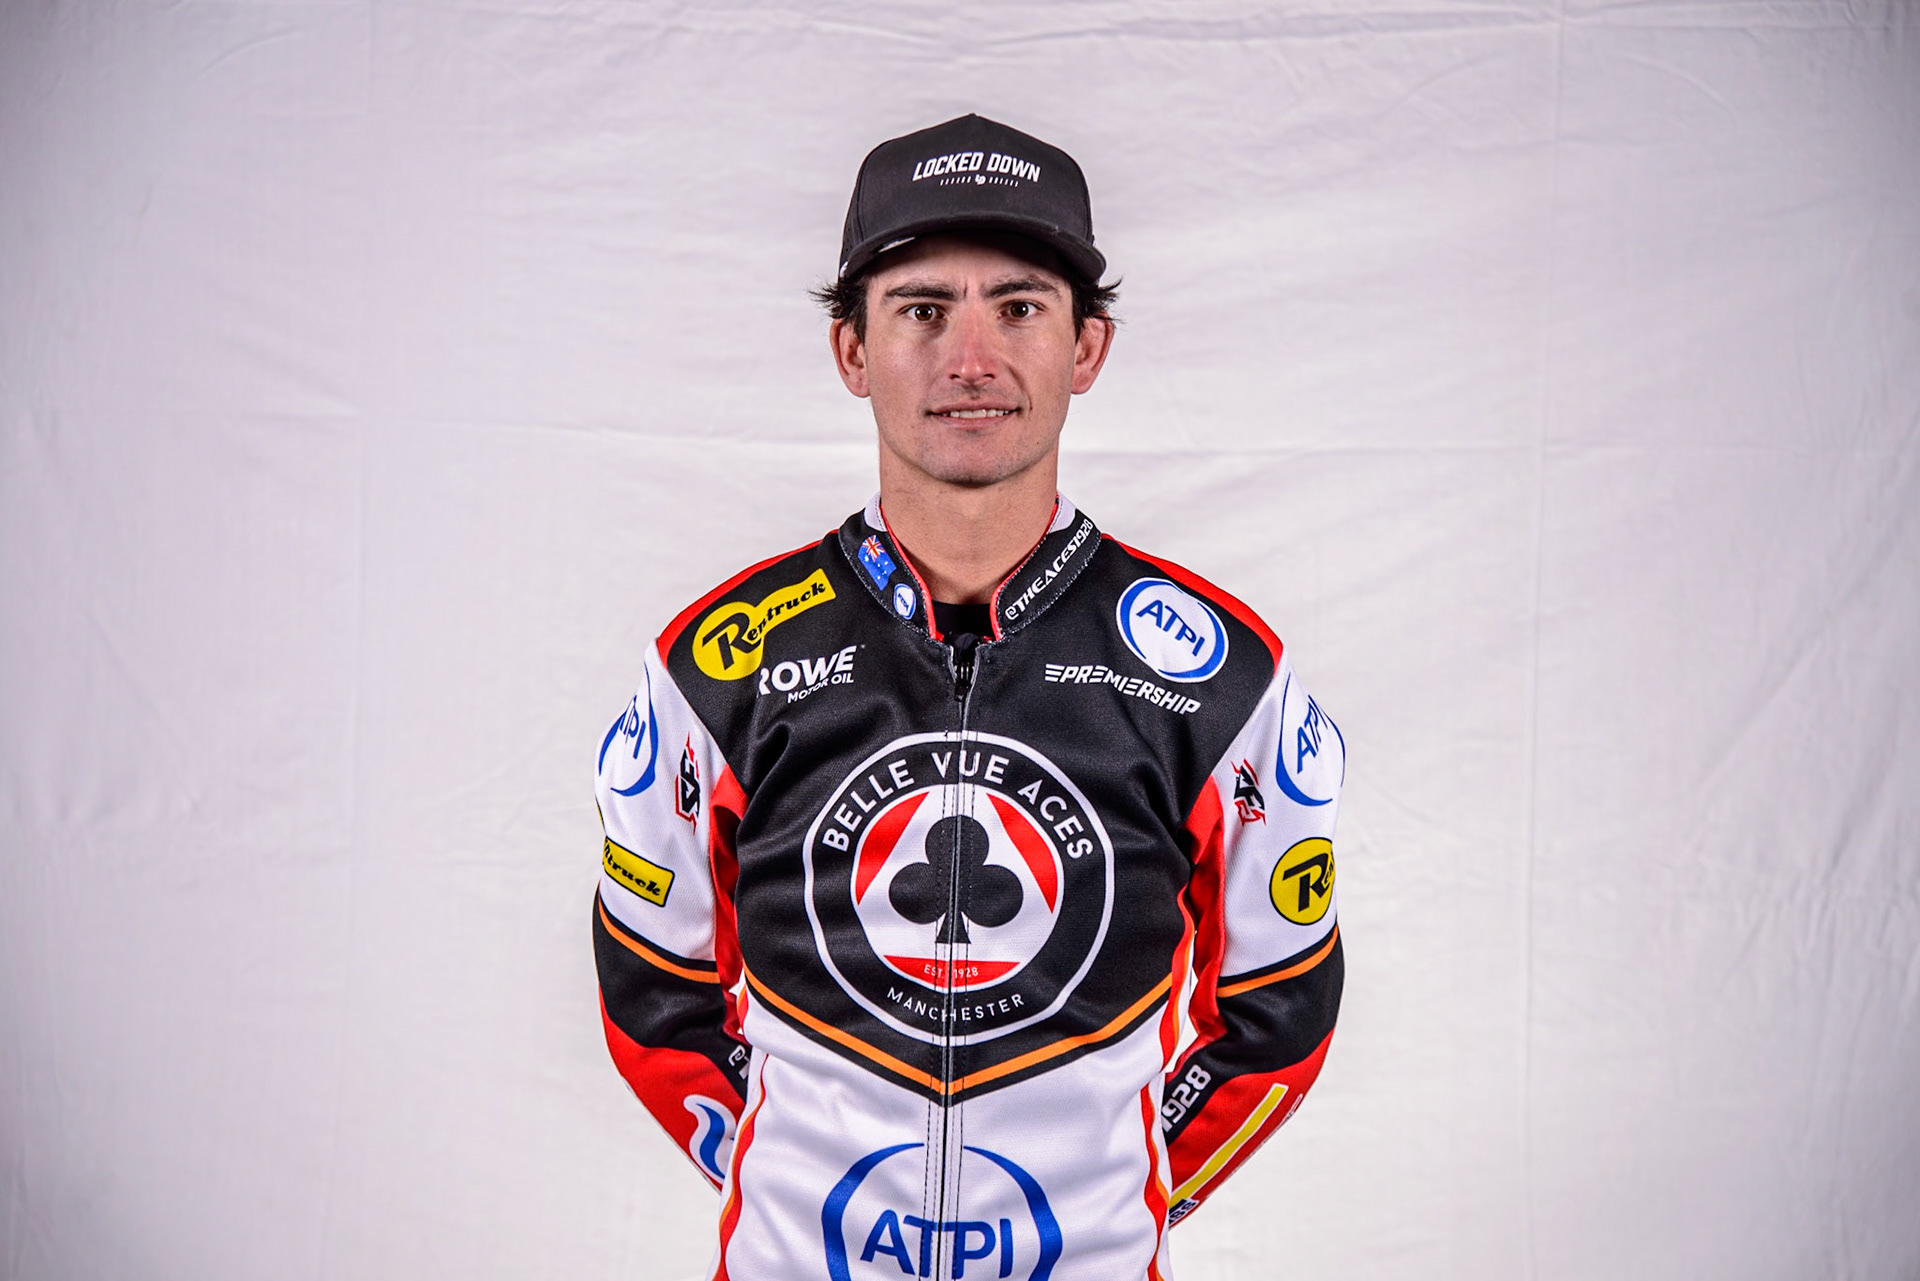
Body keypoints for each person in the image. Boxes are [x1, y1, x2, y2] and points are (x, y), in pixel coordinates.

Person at [592, 113, 1344, 1281]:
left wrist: (1128, 1184)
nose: (971, 358)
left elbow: (1277, 1012)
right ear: (851, 350)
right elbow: (656, 994)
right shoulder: (712, 669)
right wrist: (795, 1180)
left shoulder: (1224, 681)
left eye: (1021, 307)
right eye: (922, 309)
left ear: (1087, 348)